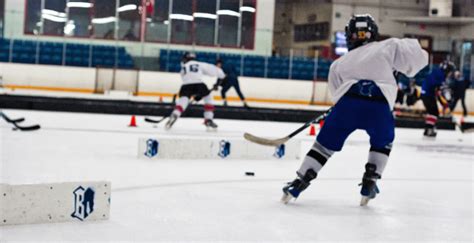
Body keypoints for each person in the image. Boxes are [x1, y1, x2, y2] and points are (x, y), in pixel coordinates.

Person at [281, 14, 428, 206]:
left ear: (350, 36)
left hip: (347, 106)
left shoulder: (338, 64)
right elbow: (420, 58)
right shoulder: (389, 47)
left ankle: (300, 182)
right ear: (373, 33)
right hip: (379, 107)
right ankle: (370, 181)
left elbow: (336, 95)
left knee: (323, 147)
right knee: (382, 143)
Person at [165, 52, 225, 130]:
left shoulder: (183, 67)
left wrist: (195, 95)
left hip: (186, 85)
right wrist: (217, 84)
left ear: (185, 59)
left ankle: (175, 114)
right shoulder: (199, 64)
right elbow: (218, 72)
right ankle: (208, 119)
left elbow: (186, 77)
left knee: (183, 101)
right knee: (208, 98)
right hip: (199, 84)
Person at [420, 61, 455, 137]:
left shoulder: (437, 73)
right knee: (434, 113)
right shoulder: (441, 75)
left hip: (425, 95)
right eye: (450, 71)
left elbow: (438, 91)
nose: (450, 74)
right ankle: (429, 130)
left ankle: (427, 129)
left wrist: (444, 103)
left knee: (431, 112)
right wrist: (447, 101)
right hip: (428, 95)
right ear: (446, 69)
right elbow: (442, 90)